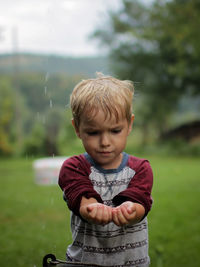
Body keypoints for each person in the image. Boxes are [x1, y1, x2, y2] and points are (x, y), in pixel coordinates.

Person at [58, 73, 153, 267]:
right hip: (85, 263)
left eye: (115, 131)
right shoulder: (73, 167)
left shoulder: (140, 169)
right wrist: (93, 208)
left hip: (133, 263)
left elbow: (140, 203)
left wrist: (130, 210)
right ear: (77, 128)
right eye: (93, 132)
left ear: (129, 125)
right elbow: (83, 200)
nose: (105, 142)